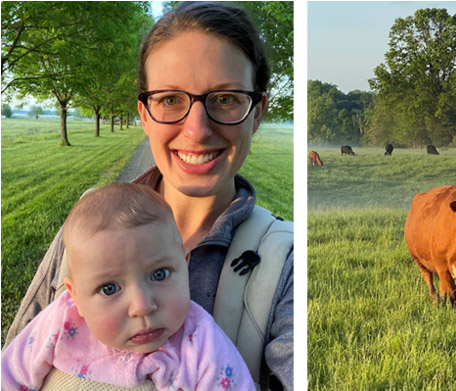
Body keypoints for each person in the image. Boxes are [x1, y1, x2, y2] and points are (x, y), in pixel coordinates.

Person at [5, 2, 293, 390]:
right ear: (144, 114)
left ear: (256, 113)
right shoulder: (87, 222)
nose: (197, 130)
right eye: (170, 99)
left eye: (225, 98)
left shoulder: (286, 263)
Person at [2, 183, 255, 390]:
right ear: (75, 295)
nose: (143, 306)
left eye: (160, 274)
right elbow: (10, 377)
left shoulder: (200, 342)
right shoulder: (60, 322)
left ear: (185, 264)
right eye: (109, 289)